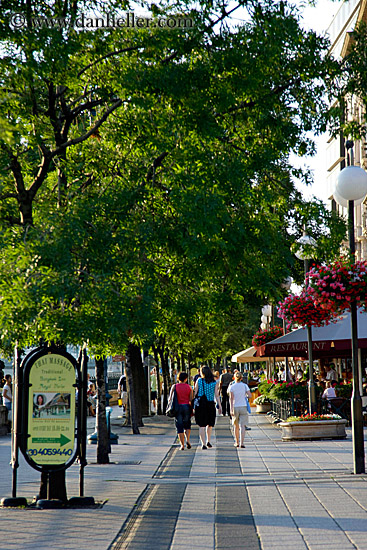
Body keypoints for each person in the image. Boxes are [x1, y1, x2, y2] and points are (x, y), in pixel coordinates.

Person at [194, 366, 222, 449]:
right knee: (210, 424)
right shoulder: (214, 382)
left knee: (201, 425)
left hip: (201, 405)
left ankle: (203, 444)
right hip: (210, 404)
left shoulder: (199, 380)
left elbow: (195, 393)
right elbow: (217, 395)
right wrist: (219, 406)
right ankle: (208, 441)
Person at [168, 371, 193, 450]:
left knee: (179, 426)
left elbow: (170, 398)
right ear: (186, 379)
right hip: (186, 407)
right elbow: (191, 398)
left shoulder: (174, 386)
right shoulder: (189, 387)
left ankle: (182, 445)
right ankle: (188, 440)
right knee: (187, 424)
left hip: (177, 407)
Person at [228, 371, 251, 448]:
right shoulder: (245, 386)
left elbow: (231, 399)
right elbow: (250, 395)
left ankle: (236, 442)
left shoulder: (232, 387)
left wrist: (231, 409)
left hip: (235, 406)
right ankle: (242, 443)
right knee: (242, 426)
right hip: (243, 406)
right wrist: (245, 396)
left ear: (234, 378)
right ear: (241, 378)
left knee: (236, 426)